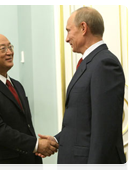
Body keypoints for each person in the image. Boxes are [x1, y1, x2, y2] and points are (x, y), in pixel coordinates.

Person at [38, 7, 127, 170]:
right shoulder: (91, 63)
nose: (66, 38)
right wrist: (57, 140)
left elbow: (104, 131)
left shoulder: (104, 64)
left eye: (69, 31)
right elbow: (82, 121)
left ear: (83, 28)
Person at [0, 33, 59, 170]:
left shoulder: (17, 85)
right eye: (3, 48)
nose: (10, 52)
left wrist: (35, 147)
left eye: (10, 47)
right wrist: (36, 145)